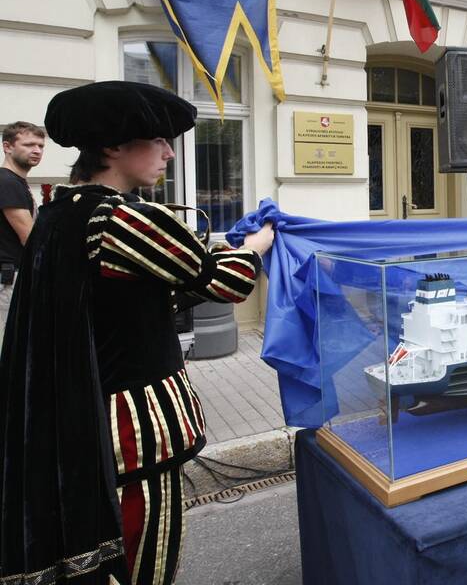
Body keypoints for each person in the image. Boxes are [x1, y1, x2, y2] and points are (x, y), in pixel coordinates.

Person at [0, 81, 275, 585]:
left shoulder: (59, 211)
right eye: (159, 140)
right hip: (134, 429)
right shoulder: (124, 217)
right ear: (113, 147)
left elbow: (135, 294)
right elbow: (227, 281)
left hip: (77, 420)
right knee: (139, 560)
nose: (170, 153)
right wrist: (258, 243)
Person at [0, 121, 44, 347]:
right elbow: (30, 237)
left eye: (40, 145)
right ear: (7, 146)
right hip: (9, 280)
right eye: (28, 144)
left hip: (14, 277)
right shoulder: (7, 181)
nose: (36, 150)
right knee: (10, 348)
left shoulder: (15, 182)